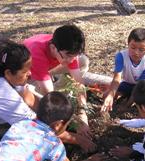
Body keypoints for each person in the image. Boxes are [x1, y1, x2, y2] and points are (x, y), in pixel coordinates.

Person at [23, 24, 95, 152]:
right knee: (39, 101)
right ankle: (46, 81)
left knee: (83, 61)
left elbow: (79, 83)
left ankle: (51, 81)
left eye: (74, 56)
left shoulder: (67, 48)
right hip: (26, 77)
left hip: (46, 69)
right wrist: (76, 122)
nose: (71, 59)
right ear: (53, 47)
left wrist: (83, 113)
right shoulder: (37, 53)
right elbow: (51, 98)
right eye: (67, 56)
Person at [101, 27, 145, 112]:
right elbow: (117, 77)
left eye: (141, 50)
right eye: (133, 47)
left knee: (144, 102)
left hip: (142, 88)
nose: (136, 52)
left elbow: (139, 87)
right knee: (106, 95)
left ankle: (128, 99)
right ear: (128, 44)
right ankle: (124, 96)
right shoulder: (121, 56)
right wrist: (111, 95)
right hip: (127, 84)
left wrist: (126, 105)